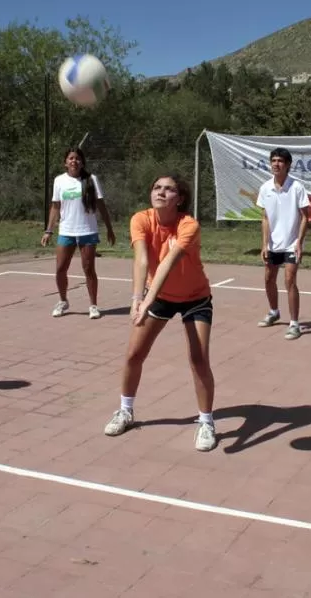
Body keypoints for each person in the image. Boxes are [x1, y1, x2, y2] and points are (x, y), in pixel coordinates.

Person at [103, 174, 217, 452]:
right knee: (134, 354)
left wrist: (145, 299)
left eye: (169, 189)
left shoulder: (189, 225)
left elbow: (168, 262)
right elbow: (142, 258)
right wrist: (136, 297)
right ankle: (126, 411)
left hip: (195, 298)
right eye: (156, 187)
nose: (161, 192)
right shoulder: (140, 219)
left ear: (180, 198)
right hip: (160, 297)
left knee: (198, 358)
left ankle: (206, 423)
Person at [41, 148, 116, 319]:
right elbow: (55, 207)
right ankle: (63, 301)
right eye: (71, 158)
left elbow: (101, 205)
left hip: (87, 231)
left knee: (88, 268)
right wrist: (48, 230)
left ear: (82, 162)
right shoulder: (59, 180)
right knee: (60, 269)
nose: (74, 161)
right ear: (65, 162)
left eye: (77, 158)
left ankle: (93, 305)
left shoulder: (91, 179)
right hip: (66, 231)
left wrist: (110, 229)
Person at [256, 147, 310, 340]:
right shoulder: (265, 188)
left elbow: (305, 217)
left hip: (291, 244)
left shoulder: (297, 187)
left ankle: (294, 324)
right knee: (269, 279)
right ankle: (273, 312)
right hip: (272, 244)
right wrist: (264, 244)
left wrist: (299, 243)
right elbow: (265, 218)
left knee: (290, 281)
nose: (276, 164)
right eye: (273, 161)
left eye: (280, 161)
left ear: (287, 165)